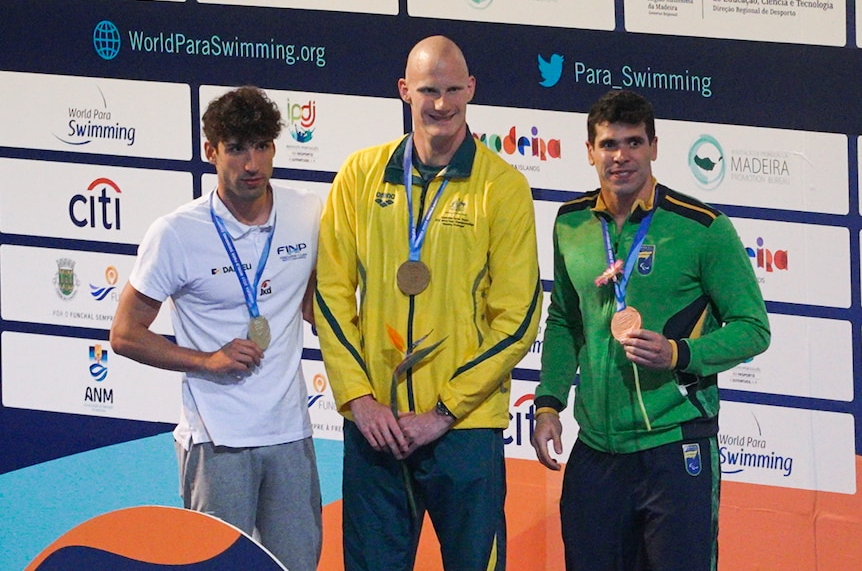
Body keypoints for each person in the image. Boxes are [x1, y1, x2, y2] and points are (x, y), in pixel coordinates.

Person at [314, 35, 542, 571]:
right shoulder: (359, 175)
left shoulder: (502, 188)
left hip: (462, 430)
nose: (441, 105)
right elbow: (330, 294)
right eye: (428, 91)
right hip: (376, 426)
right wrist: (358, 400)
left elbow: (517, 320)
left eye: (453, 90)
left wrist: (443, 412)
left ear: (472, 89)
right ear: (403, 92)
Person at [530, 89, 770, 571]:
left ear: (655, 147)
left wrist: (681, 354)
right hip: (596, 450)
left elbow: (753, 329)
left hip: (675, 444)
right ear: (590, 151)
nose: (621, 157)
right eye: (609, 144)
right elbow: (564, 320)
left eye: (634, 143)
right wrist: (549, 401)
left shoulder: (703, 228)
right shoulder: (571, 223)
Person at [110, 86, 322, 571]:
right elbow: (124, 333)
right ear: (211, 152)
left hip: (290, 433)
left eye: (263, 146)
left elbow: (313, 302)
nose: (252, 164)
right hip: (215, 440)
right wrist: (205, 360)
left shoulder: (307, 213)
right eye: (237, 149)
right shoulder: (176, 233)